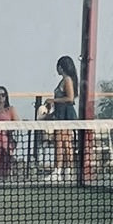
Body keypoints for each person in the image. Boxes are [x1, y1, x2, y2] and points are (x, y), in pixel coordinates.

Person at [39, 55, 79, 183]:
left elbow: (70, 98)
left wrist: (53, 100)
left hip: (65, 115)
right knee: (63, 143)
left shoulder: (67, 80)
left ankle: (61, 171)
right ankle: (64, 171)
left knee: (62, 143)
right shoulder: (64, 80)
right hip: (61, 114)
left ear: (61, 67)